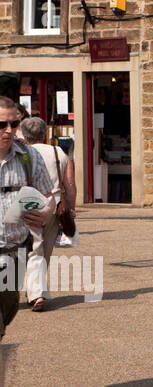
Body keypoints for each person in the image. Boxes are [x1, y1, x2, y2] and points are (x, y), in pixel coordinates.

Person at [0, 97, 55, 387]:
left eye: (12, 124)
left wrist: (46, 212)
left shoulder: (28, 155)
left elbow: (50, 196)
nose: (8, 131)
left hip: (13, 253)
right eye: (0, 125)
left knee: (4, 320)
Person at [18, 117, 75, 310]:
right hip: (55, 204)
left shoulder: (23, 153)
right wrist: (71, 208)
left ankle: (36, 294)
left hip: (30, 202)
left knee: (35, 248)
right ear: (44, 133)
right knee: (45, 249)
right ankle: (36, 291)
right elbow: (69, 184)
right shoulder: (58, 152)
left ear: (24, 134)